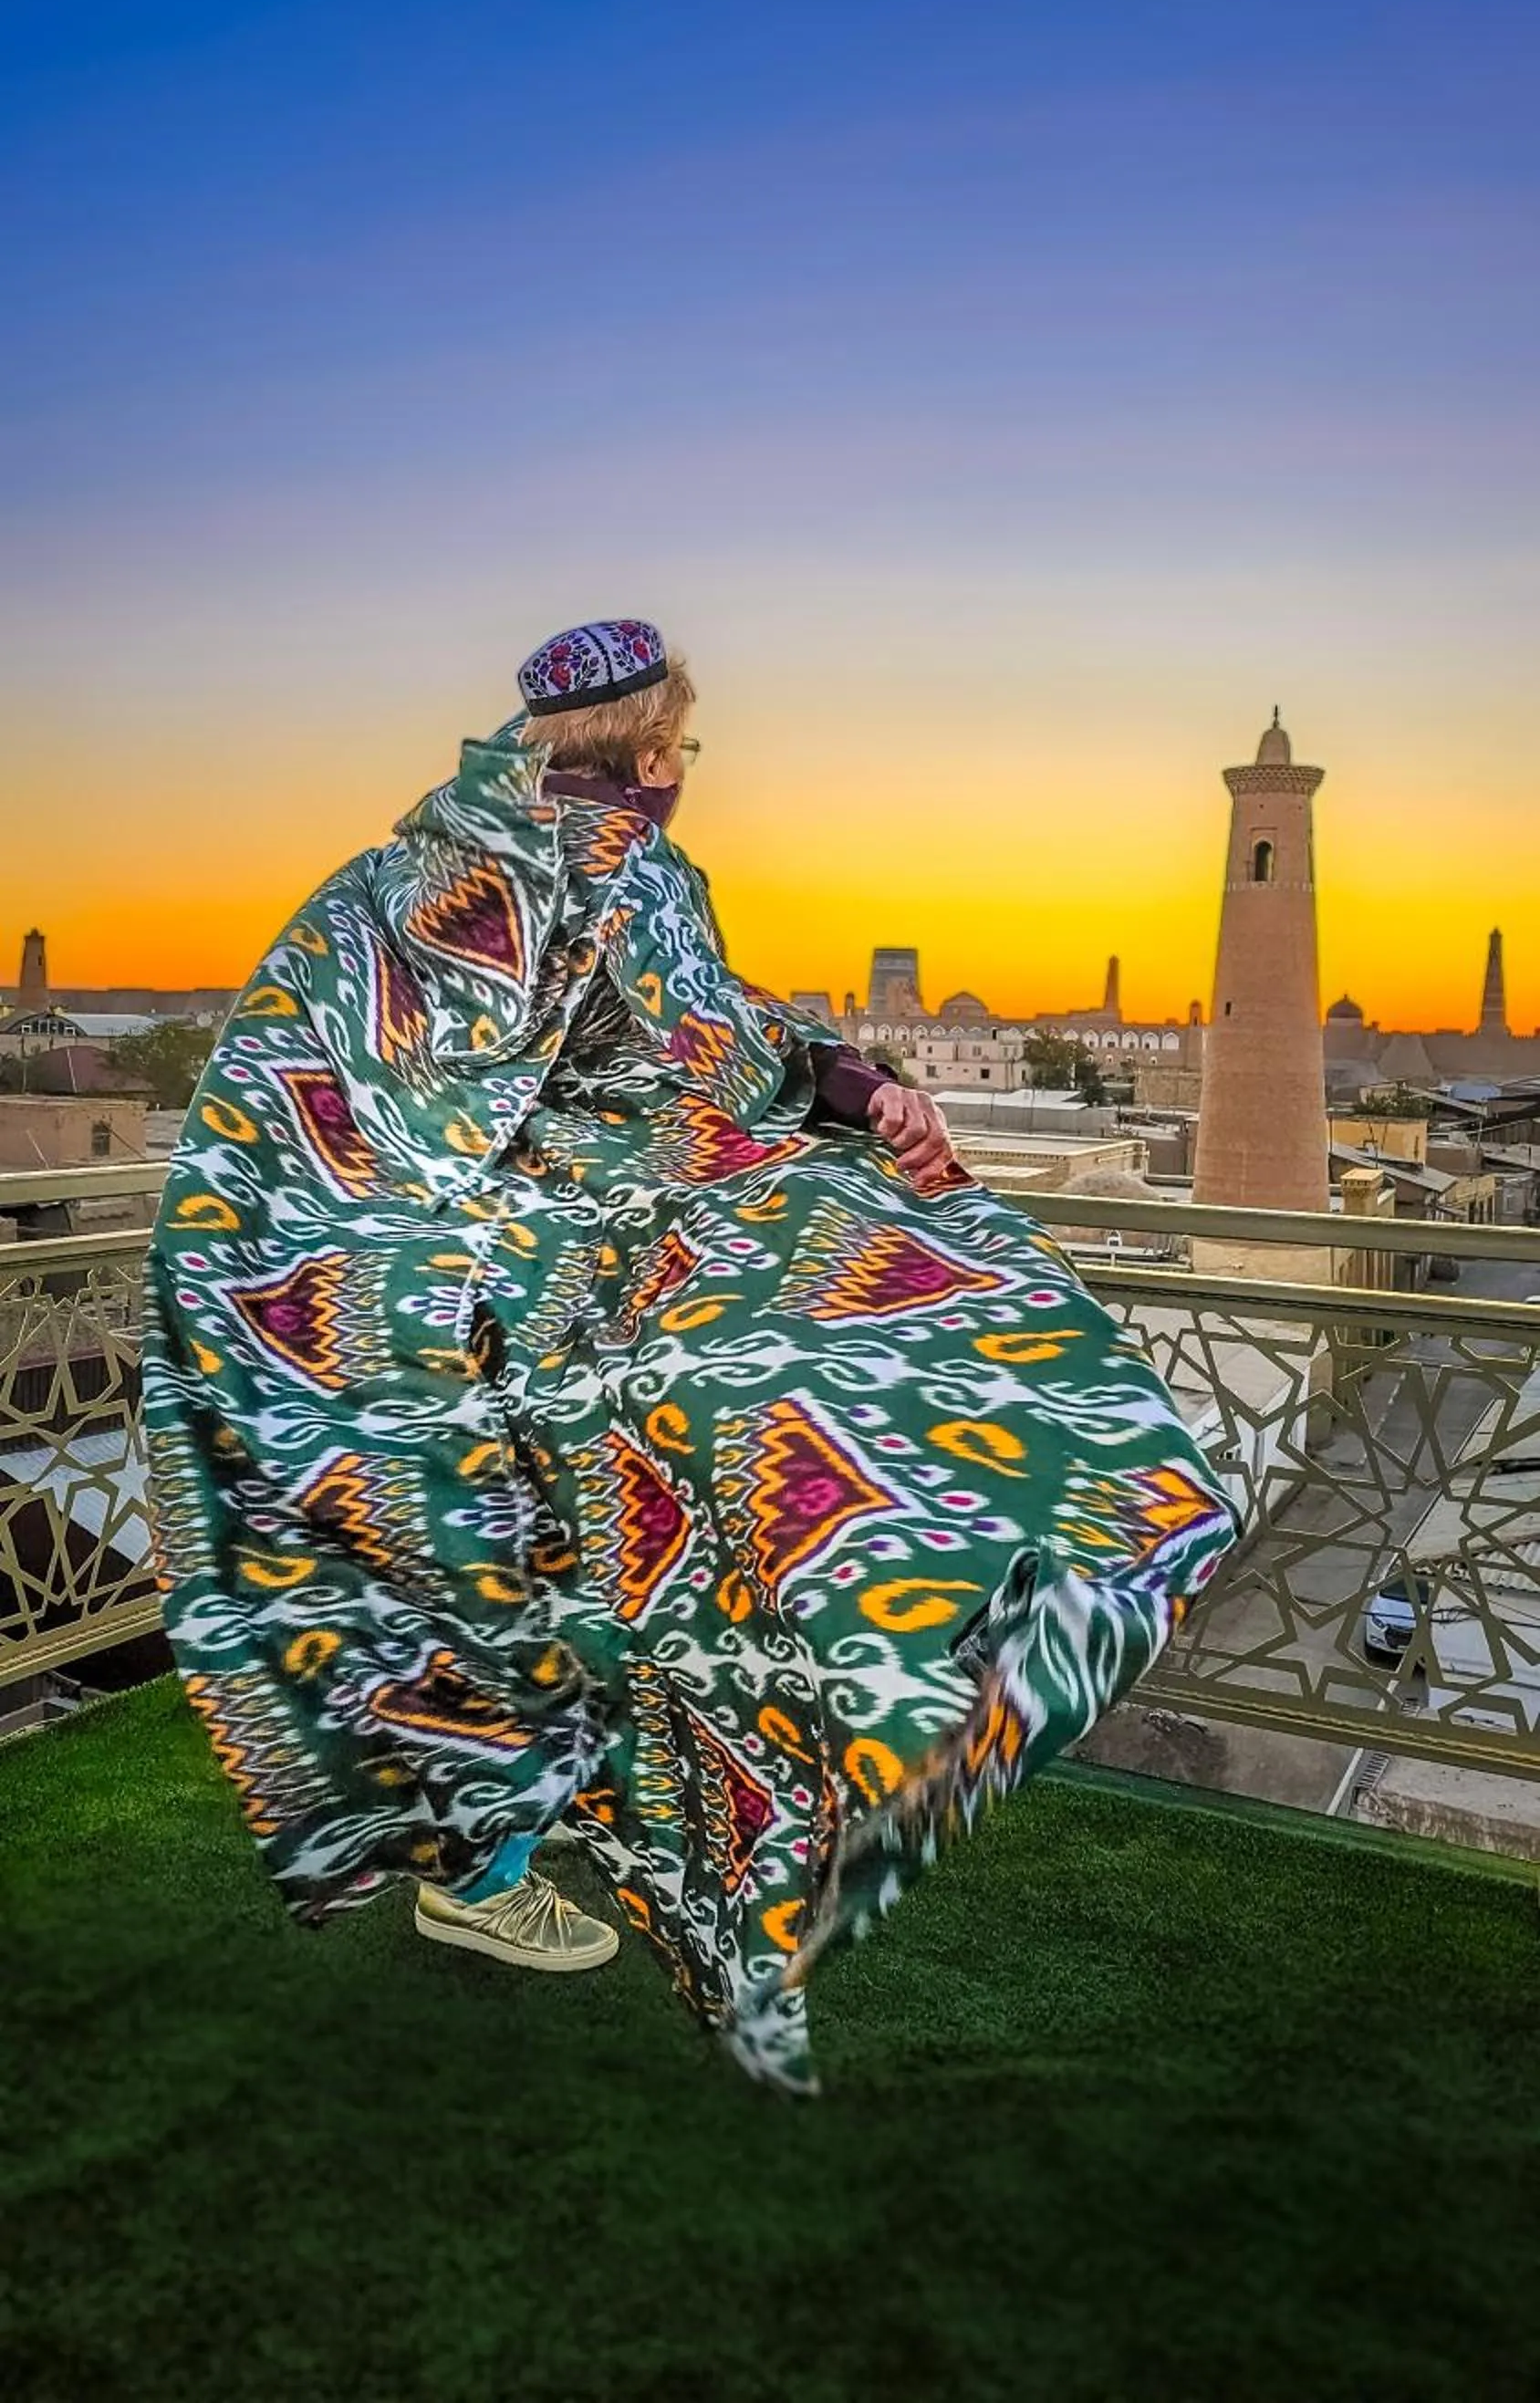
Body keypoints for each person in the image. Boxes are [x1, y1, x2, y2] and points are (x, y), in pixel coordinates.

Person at [142, 617, 1243, 2092]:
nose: (685, 775)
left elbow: (303, 1074)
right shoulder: (631, 865)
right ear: (655, 751)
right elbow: (709, 1050)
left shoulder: (408, 871)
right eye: (688, 748)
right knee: (859, 1373)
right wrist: (869, 1090)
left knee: (510, 1562)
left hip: (384, 1300)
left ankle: (483, 1861)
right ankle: (908, 1701)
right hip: (546, 1289)